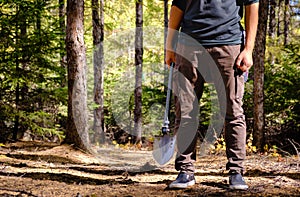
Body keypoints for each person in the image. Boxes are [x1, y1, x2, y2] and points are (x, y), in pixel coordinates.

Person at [165, 0, 259, 190]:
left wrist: (248, 49)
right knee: (185, 110)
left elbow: (252, 6)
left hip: (229, 45)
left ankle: (236, 171)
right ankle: (185, 171)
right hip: (188, 44)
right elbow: (177, 8)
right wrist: (169, 46)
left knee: (233, 110)